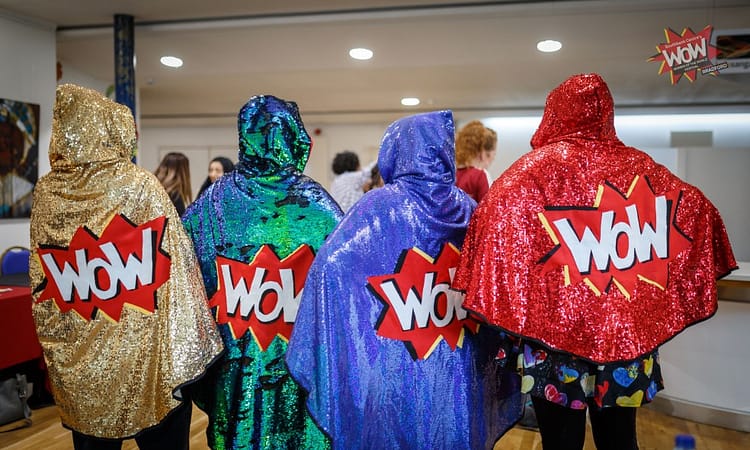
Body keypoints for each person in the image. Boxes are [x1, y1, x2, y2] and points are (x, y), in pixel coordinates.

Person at [454, 73, 737, 450]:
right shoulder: (642, 168)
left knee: (559, 442)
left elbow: (489, 218)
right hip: (626, 340)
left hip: (550, 342)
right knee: (620, 441)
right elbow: (698, 210)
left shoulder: (530, 172)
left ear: (553, 113)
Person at [286, 110, 521, 450]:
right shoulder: (468, 208)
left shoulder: (378, 207)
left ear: (396, 150)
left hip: (393, 364)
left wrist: (357, 313)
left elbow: (330, 266)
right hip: (458, 361)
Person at [29, 84, 223, 450]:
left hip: (81, 359)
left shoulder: (46, 194)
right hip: (147, 357)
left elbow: (45, 284)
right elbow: (178, 273)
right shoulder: (138, 187)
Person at [182, 95, 342, 450]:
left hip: (236, 359)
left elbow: (180, 261)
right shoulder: (318, 205)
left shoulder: (213, 202)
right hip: (297, 361)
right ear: (293, 136)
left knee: (239, 429)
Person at [455, 120, 497, 202]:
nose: (492, 160)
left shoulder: (452, 176)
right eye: (493, 155)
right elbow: (487, 210)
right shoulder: (480, 175)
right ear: (483, 153)